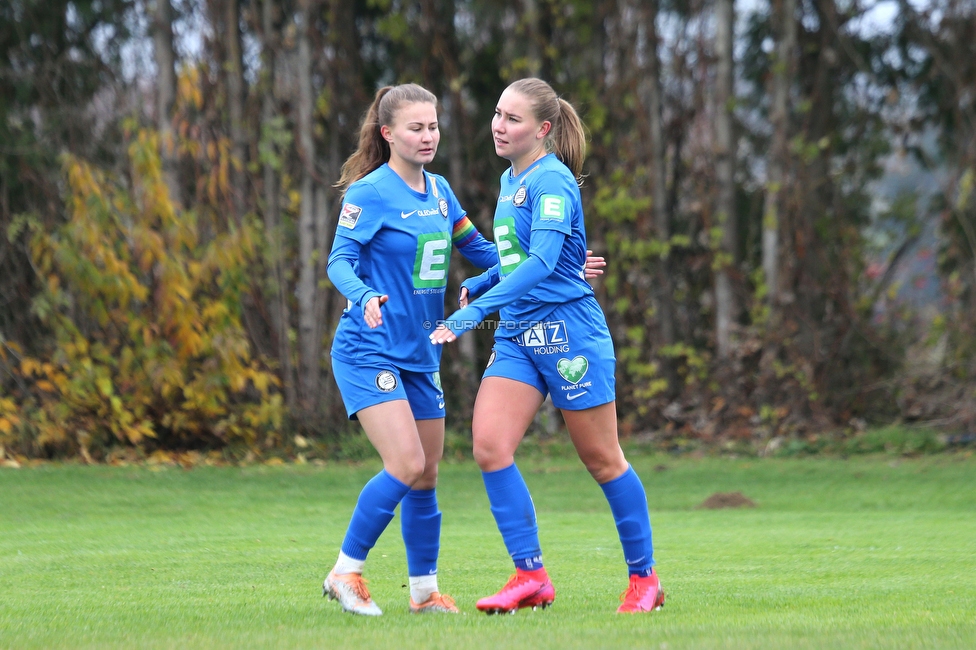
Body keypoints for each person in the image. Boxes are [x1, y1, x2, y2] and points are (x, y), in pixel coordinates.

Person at [322, 83, 605, 616]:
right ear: (388, 134)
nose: (428, 136)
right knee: (405, 463)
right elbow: (339, 260)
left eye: (433, 127)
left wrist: (564, 261)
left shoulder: (440, 192)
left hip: (420, 354)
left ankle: (425, 594)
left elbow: (487, 250)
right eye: (415, 128)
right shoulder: (368, 193)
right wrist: (364, 296)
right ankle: (345, 571)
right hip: (369, 348)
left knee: (427, 475)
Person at [430, 78, 665, 615]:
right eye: (497, 113)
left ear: (542, 129)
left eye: (512, 118)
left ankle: (643, 581)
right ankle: (530, 575)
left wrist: (472, 312)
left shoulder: (553, 181)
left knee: (603, 460)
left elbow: (539, 265)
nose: (498, 124)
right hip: (517, 335)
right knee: (490, 446)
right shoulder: (510, 179)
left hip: (568, 333)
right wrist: (487, 285)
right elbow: (523, 261)